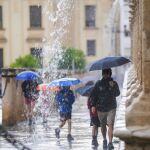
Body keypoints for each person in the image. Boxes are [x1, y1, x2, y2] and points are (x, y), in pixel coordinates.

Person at [91, 68, 120, 150]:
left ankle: (110, 143)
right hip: (101, 108)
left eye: (107, 73)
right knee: (103, 127)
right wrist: (93, 105)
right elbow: (93, 95)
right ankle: (104, 139)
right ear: (102, 74)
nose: (105, 75)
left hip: (112, 107)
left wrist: (112, 87)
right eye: (104, 73)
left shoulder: (114, 83)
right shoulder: (98, 84)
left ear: (110, 74)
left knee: (111, 124)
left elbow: (117, 93)